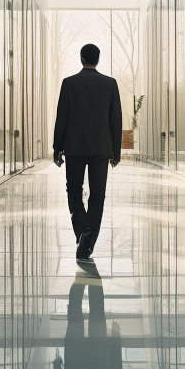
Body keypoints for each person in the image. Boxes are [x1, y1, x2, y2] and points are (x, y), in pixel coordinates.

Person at [53, 43, 123, 259]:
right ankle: (88, 241)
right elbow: (116, 120)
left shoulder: (69, 83)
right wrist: (116, 151)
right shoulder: (110, 84)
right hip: (101, 148)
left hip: (74, 148)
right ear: (98, 59)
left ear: (81, 58)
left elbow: (61, 117)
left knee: (74, 190)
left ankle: (83, 229)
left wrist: (57, 147)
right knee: (98, 195)